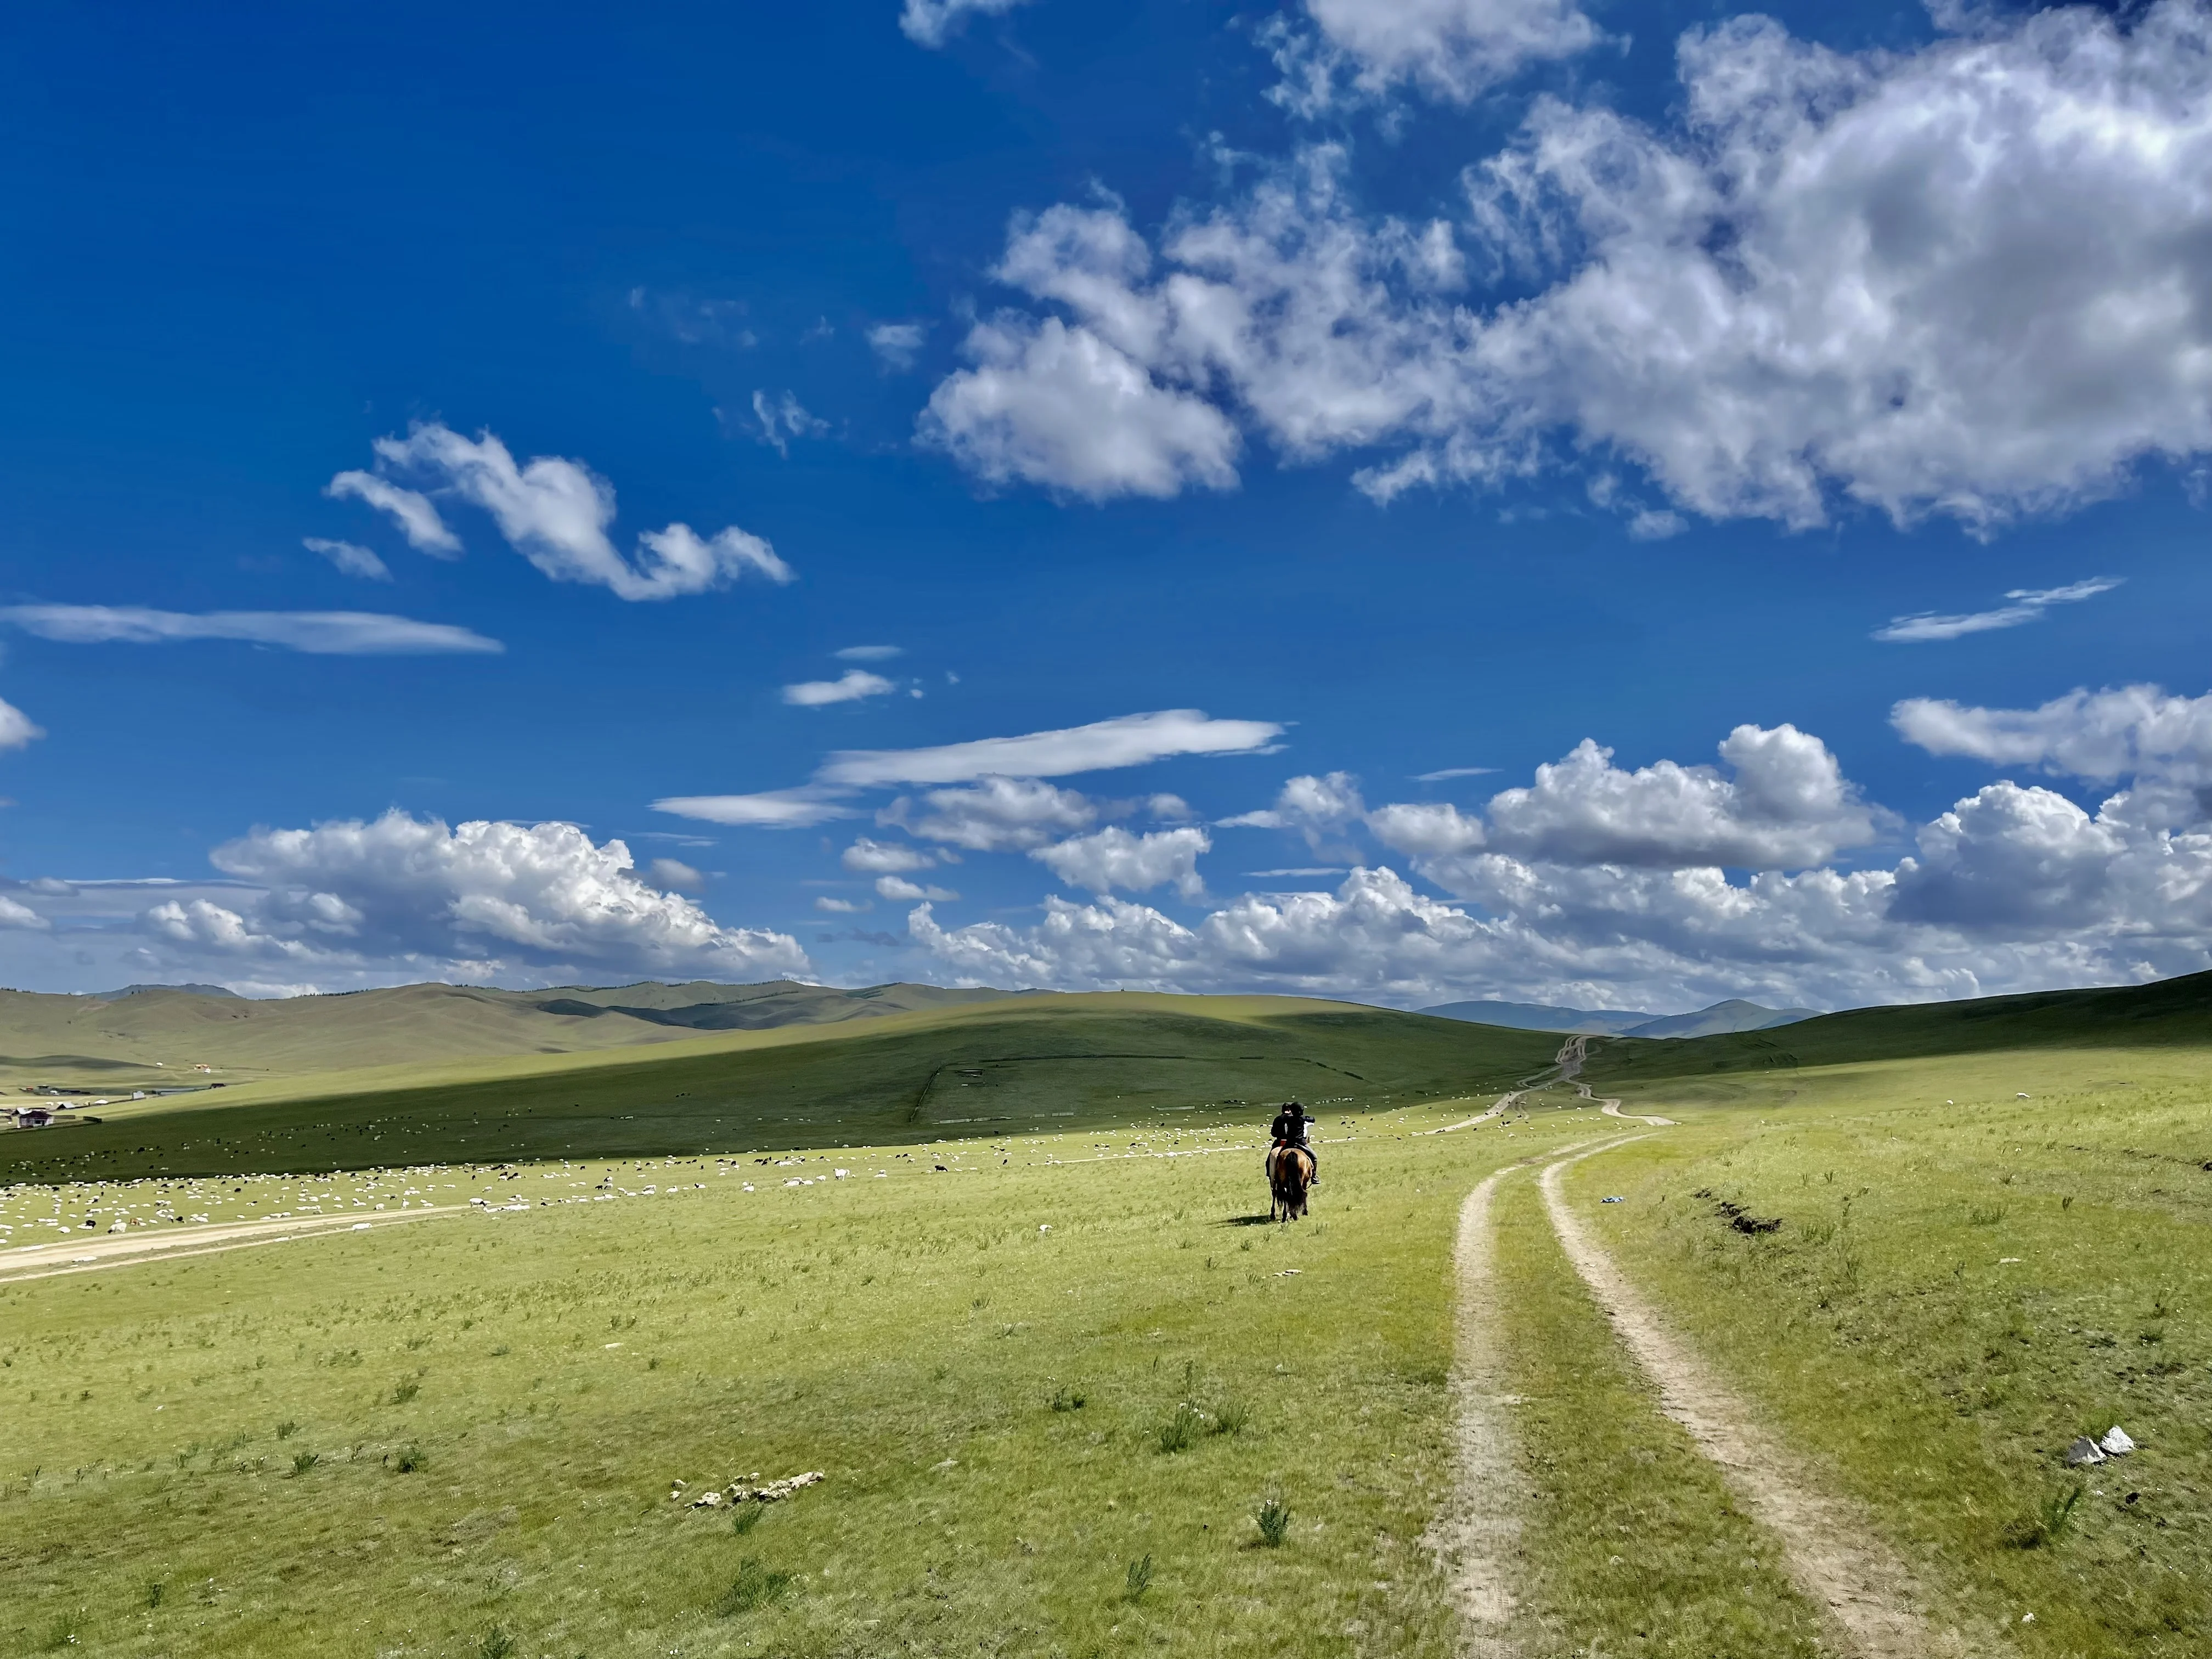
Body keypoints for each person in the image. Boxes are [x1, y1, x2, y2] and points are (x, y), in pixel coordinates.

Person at [1268, 1099, 1316, 1182]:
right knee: (1314, 1158)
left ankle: (1272, 1174)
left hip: (1288, 1143)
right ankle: (1314, 1176)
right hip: (1301, 1143)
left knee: (1273, 1158)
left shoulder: (1283, 1119)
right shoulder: (1302, 1119)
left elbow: (1274, 1133)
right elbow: (1312, 1119)